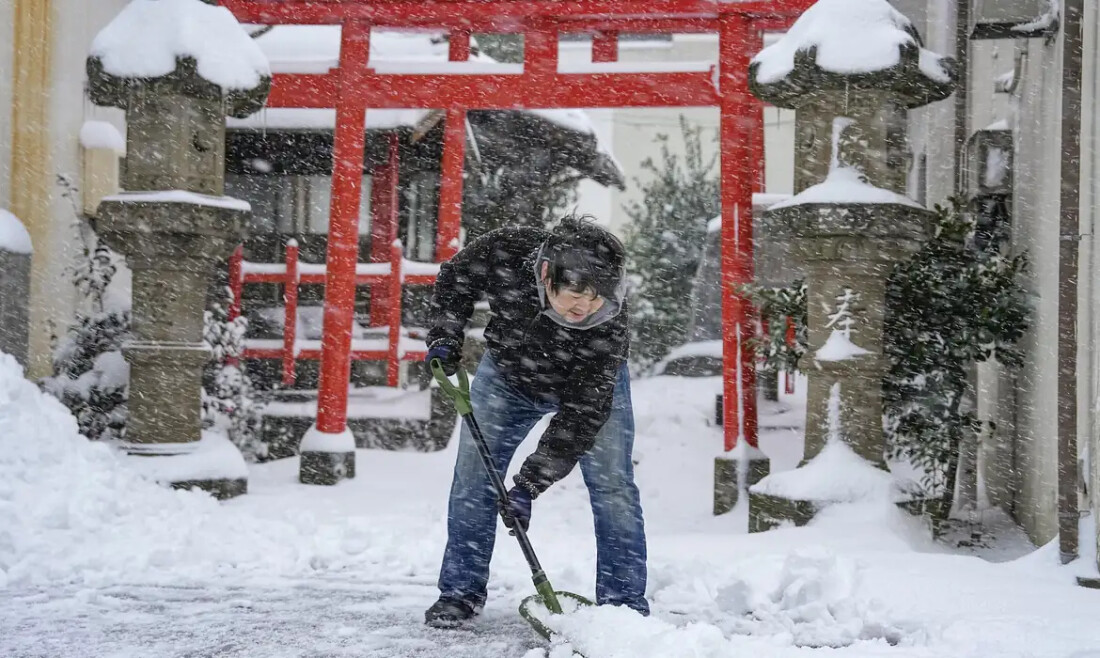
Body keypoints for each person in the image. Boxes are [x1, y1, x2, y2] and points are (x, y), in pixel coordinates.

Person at [423, 215, 648, 627]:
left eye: (597, 300)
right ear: (546, 274)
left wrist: (529, 484)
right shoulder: (506, 249)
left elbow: (582, 415)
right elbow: (455, 279)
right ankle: (460, 592)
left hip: (586, 387)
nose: (586, 309)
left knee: (613, 486)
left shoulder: (609, 326)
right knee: (474, 480)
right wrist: (444, 336)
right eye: (576, 297)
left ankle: (623, 606)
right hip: (507, 376)